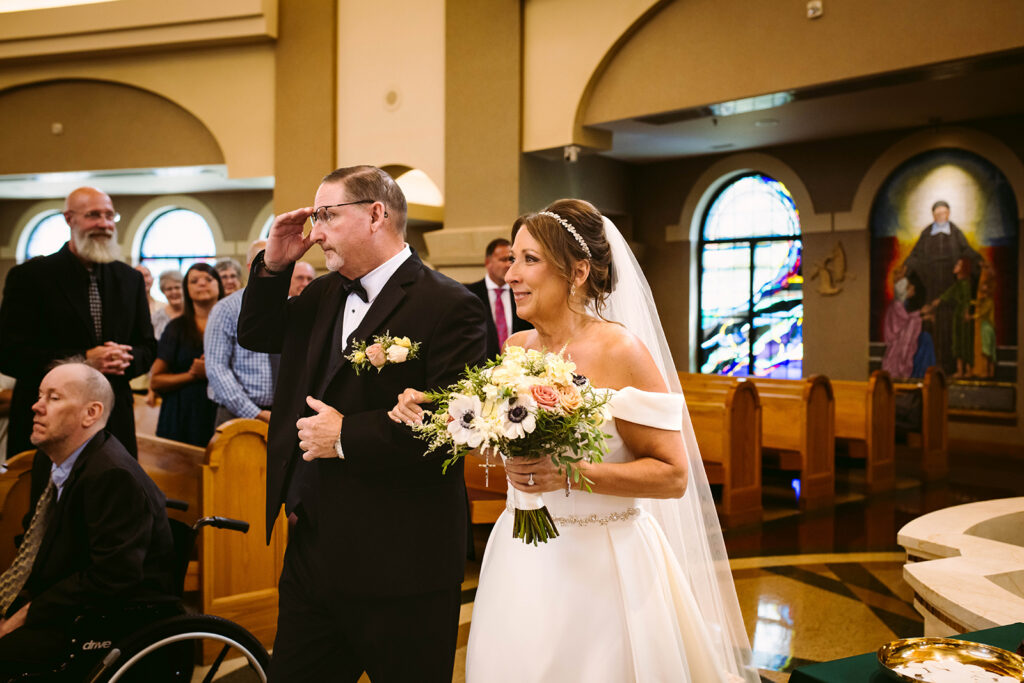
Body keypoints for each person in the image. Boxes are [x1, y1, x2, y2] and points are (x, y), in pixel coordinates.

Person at [390, 199, 756, 682]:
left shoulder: (620, 350)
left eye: (529, 260)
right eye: (511, 259)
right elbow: (498, 439)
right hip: (522, 555)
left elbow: (673, 475)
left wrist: (567, 475)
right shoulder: (516, 347)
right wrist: (443, 414)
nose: (511, 273)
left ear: (578, 271)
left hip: (603, 565)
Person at [236, 165, 487, 682]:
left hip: (401, 559)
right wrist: (273, 265)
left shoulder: (450, 305)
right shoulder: (321, 294)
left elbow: (452, 424)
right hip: (313, 552)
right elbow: (257, 334)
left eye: (327, 215)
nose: (317, 230)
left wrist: (346, 435)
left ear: (376, 214)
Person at [0, 361, 176, 677]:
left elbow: (111, 578)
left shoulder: (112, 476)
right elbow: (36, 543)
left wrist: (25, 614)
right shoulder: (48, 460)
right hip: (63, 598)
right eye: (40, 395)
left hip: (111, 620)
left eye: (53, 398)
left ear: (91, 413)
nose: (36, 406)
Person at [0, 186, 156, 462]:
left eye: (110, 216)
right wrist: (82, 361)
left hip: (113, 421)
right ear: (69, 219)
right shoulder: (31, 277)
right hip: (48, 423)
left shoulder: (129, 279)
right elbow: (9, 352)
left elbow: (146, 346)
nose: (105, 224)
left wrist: (123, 359)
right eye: (93, 215)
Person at [902, 200, 982, 376]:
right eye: (938, 214)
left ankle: (951, 367)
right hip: (931, 286)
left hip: (949, 286)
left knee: (950, 329)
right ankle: (932, 366)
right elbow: (915, 255)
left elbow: (966, 250)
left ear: (949, 214)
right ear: (933, 215)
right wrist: (907, 266)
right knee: (933, 326)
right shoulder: (926, 233)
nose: (941, 217)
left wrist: (979, 260)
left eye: (944, 213)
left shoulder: (955, 233)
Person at [151, 263, 223, 447]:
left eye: (208, 279)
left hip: (221, 412)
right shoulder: (176, 328)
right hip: (181, 414)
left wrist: (211, 372)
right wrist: (192, 375)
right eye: (194, 281)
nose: (202, 284)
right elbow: (156, 381)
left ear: (218, 285)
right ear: (187, 289)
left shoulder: (235, 325)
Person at [206, 241, 277, 426]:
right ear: (250, 266)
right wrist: (256, 413)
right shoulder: (226, 308)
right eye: (266, 260)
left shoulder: (289, 303)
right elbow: (217, 368)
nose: (274, 264)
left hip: (281, 413)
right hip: (236, 413)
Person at [466, 235, 532, 360]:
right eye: (503, 259)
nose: (508, 264)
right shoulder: (470, 294)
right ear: (488, 262)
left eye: (511, 260)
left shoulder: (522, 293)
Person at [932, 257, 975, 377]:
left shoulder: (965, 283)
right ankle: (960, 370)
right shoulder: (959, 283)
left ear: (963, 268)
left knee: (964, 342)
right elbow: (949, 293)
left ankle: (967, 369)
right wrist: (939, 300)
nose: (955, 266)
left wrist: (966, 312)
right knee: (957, 342)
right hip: (958, 314)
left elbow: (966, 299)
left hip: (962, 314)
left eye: (958, 265)